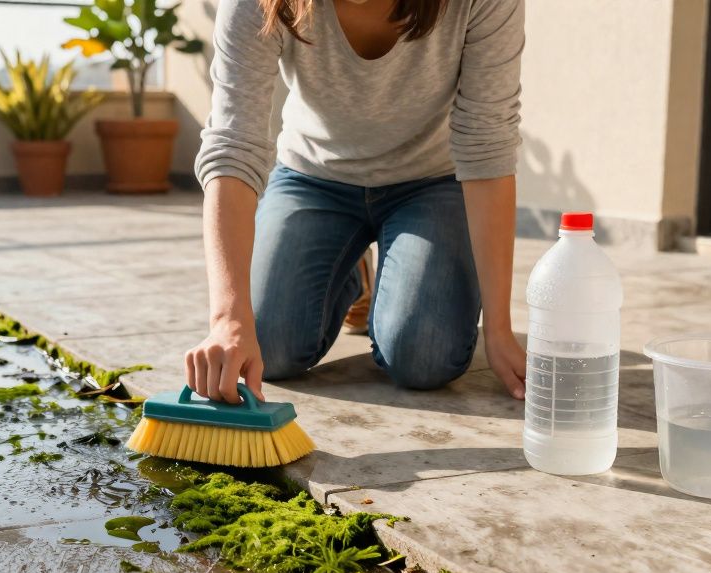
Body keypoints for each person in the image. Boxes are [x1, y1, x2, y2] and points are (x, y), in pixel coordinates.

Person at [186, 0, 527, 405]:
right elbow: (232, 143)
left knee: (425, 357)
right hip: (312, 177)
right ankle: (351, 272)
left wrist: (500, 330)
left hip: (432, 183)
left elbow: (486, 144)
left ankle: (397, 273)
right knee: (267, 348)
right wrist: (227, 318)